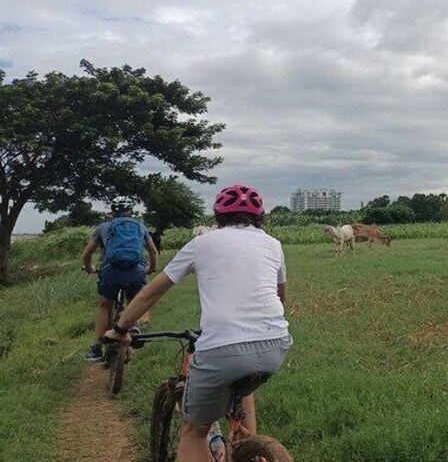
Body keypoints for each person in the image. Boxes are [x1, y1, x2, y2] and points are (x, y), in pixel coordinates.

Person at [104, 184, 292, 461]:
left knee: (195, 430)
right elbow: (281, 296)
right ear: (260, 216)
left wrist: (120, 328)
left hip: (222, 349)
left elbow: (150, 293)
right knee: (243, 385)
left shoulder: (202, 243)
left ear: (218, 216)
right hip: (275, 345)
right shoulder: (273, 244)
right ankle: (249, 454)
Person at [82, 196, 158, 362]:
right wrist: (151, 268)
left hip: (111, 272)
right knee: (135, 302)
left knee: (104, 306)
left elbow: (87, 254)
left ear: (113, 211)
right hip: (136, 272)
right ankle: (134, 327)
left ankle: (96, 349)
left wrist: (89, 268)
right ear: (131, 211)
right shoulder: (140, 227)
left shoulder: (104, 227)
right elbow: (153, 252)